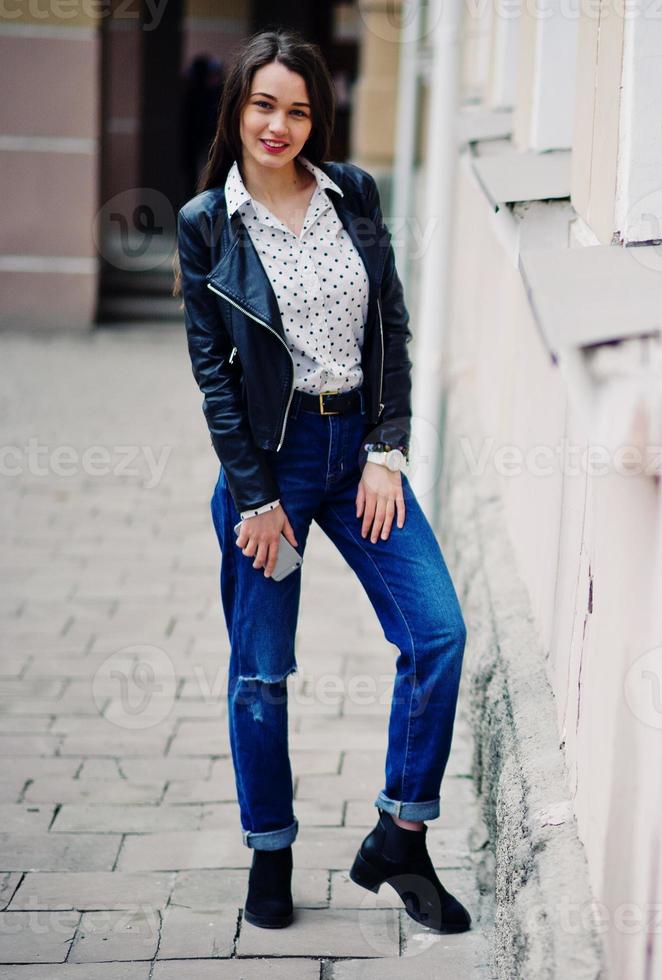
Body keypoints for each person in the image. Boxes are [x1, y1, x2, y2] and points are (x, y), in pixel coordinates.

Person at [172, 29, 470, 933]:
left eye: (297, 109)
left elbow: (391, 327)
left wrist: (387, 450)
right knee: (261, 673)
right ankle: (271, 850)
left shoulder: (355, 195)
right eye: (264, 104)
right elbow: (215, 376)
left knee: (438, 634)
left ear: (317, 118)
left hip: (359, 457)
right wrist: (257, 499)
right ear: (238, 109)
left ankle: (401, 836)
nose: (279, 124)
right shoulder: (206, 224)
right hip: (275, 464)